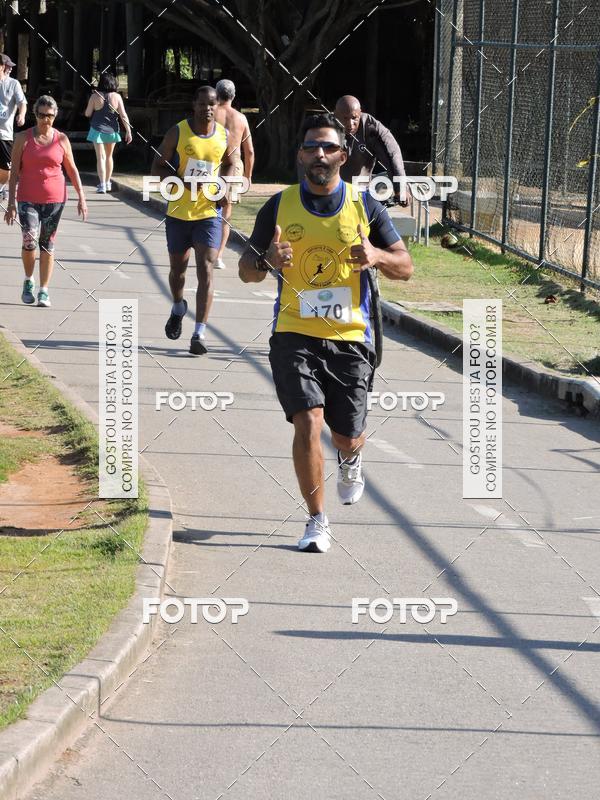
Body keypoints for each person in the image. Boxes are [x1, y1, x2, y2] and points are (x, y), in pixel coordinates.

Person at [238, 113, 413, 553]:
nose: (320, 154)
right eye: (312, 146)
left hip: (351, 334)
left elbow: (405, 267)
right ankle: (316, 519)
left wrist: (375, 254)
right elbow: (245, 272)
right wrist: (266, 262)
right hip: (293, 331)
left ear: (343, 154)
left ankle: (350, 458)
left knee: (345, 435)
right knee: (307, 421)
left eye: (329, 147)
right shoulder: (278, 206)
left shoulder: (364, 206)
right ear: (300, 155)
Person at [152, 85, 234, 356]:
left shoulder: (223, 135)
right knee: (178, 271)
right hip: (178, 214)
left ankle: (199, 333)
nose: (208, 109)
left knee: (206, 268)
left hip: (208, 214)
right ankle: (178, 306)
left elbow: (231, 162)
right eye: (203, 104)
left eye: (212, 104)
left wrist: (225, 187)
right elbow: (157, 166)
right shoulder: (178, 131)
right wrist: (182, 182)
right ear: (194, 105)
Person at [4, 95, 88, 307]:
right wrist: (11, 203)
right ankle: (29, 279)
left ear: (55, 116)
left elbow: (72, 169)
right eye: (41, 115)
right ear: (35, 114)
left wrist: (81, 197)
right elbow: (14, 172)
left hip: (55, 199)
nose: (45, 120)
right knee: (29, 241)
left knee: (47, 244)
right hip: (27, 199)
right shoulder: (23, 138)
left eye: (49, 116)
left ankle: (44, 290)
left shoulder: (61, 140)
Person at [334, 95, 408, 206]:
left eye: (354, 118)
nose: (350, 124)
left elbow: (392, 153)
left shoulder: (371, 127)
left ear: (360, 113)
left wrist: (400, 188)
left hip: (360, 193)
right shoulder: (324, 128)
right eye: (345, 118)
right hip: (330, 193)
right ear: (335, 115)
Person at [213, 78, 255, 269]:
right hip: (234, 165)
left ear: (216, 93)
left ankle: (205, 249)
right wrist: (248, 175)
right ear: (234, 95)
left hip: (210, 162)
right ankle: (218, 255)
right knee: (226, 213)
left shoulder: (210, 113)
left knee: (204, 208)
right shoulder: (241, 118)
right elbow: (250, 151)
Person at [84, 72, 132, 193]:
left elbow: (87, 114)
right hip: (112, 130)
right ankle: (108, 182)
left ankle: (102, 185)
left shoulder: (94, 96)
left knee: (100, 157)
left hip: (97, 130)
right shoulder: (117, 97)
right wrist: (128, 131)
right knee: (109, 157)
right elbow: (123, 115)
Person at [0, 54, 26, 202]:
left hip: (5, 133)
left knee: (6, 166)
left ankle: (1, 187)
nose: (10, 68)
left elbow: (22, 102)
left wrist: (21, 115)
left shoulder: (13, 84)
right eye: (8, 65)